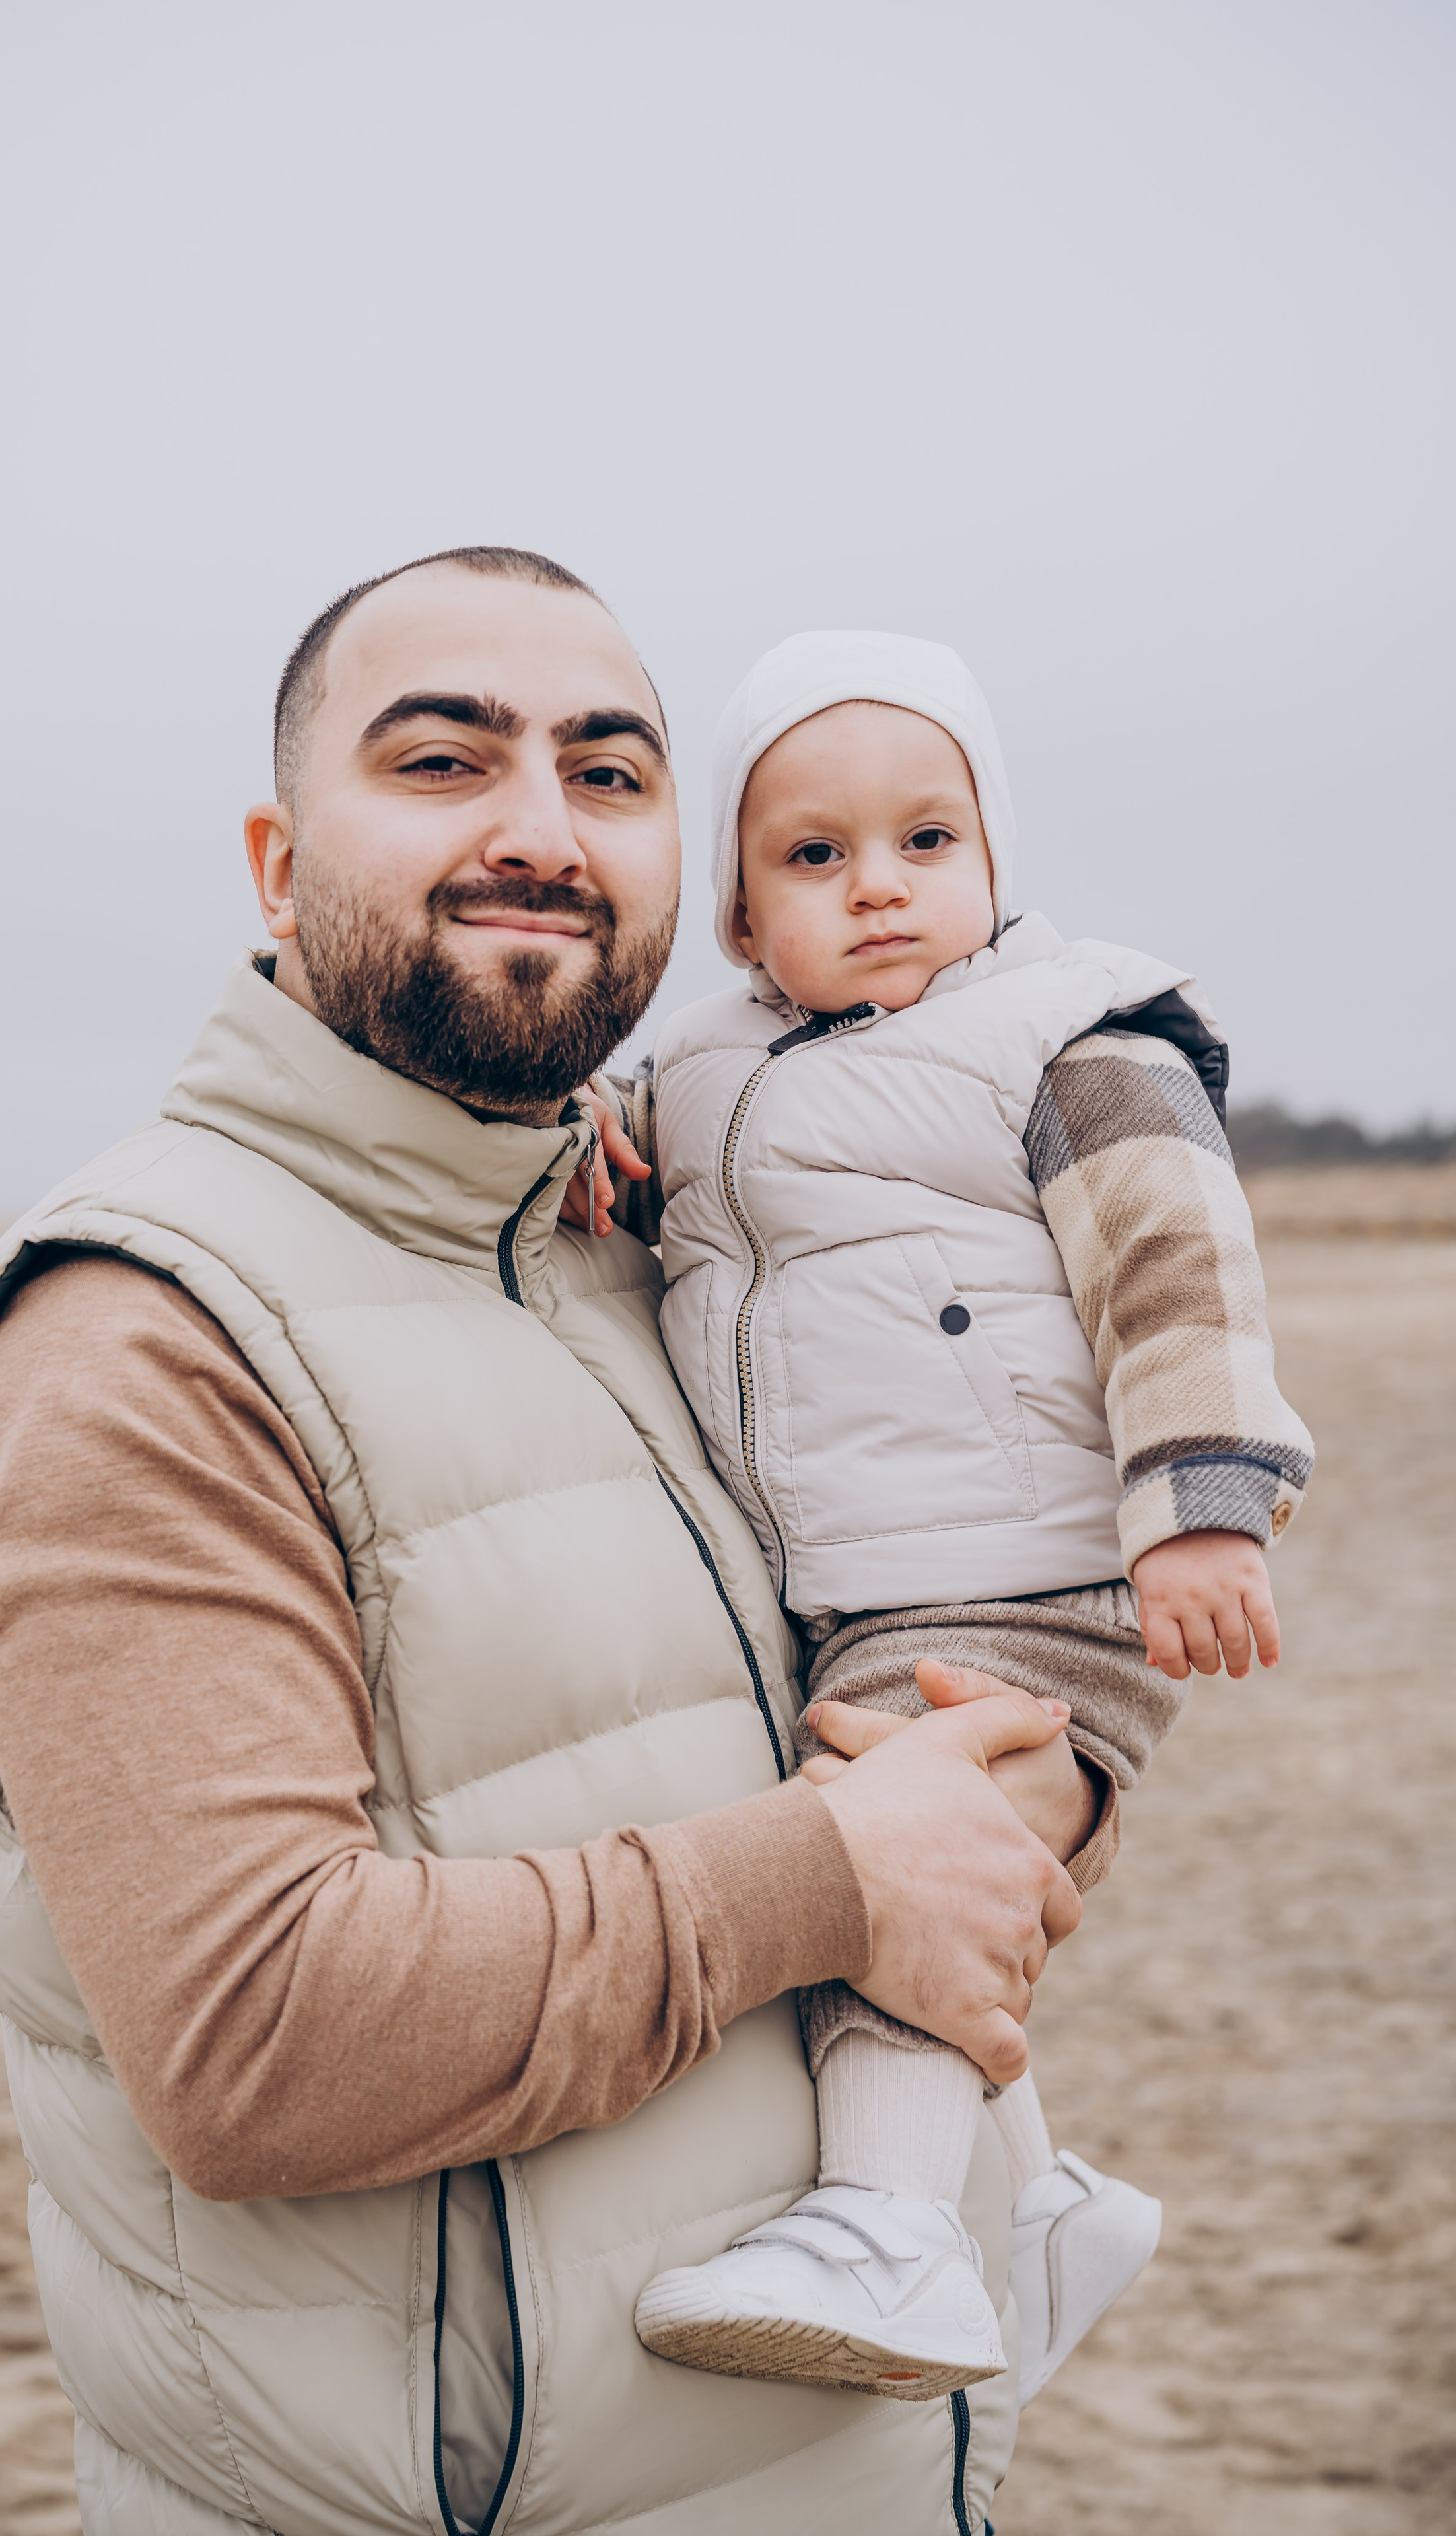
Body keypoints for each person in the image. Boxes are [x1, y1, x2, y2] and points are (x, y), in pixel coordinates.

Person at [0, 555, 1091, 2536]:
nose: (542, 831)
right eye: (446, 760)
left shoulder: (650, 1257)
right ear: (278, 868)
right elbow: (253, 2041)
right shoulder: (139, 1341)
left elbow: (902, 1741)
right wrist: (833, 1877)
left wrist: (1013, 1789)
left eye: (611, 776)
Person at [569, 631, 1313, 2407]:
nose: (880, 888)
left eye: (927, 841)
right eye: (814, 857)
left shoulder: (1066, 1039)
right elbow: (633, 1168)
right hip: (860, 1591)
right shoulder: (707, 1072)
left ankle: (892, 2223)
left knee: (888, 1861)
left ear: (994, 857)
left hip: (1041, 1586)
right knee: (938, 1865)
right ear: (742, 919)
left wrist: (1201, 1509)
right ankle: (1042, 2208)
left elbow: (1181, 1273)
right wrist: (582, 1139)